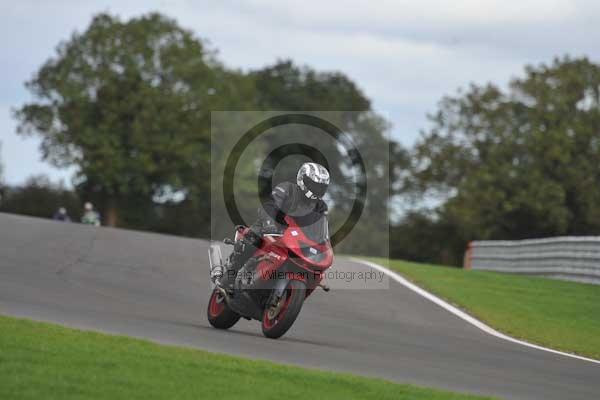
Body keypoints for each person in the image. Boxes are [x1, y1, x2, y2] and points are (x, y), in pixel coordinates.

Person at [214, 162, 330, 286]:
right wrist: (270, 224)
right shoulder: (287, 189)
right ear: (302, 179)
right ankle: (230, 275)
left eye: (320, 188)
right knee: (252, 239)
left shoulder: (321, 206)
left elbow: (319, 226)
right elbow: (270, 206)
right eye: (313, 185)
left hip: (295, 239)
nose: (316, 190)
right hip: (272, 229)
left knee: (312, 266)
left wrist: (322, 243)